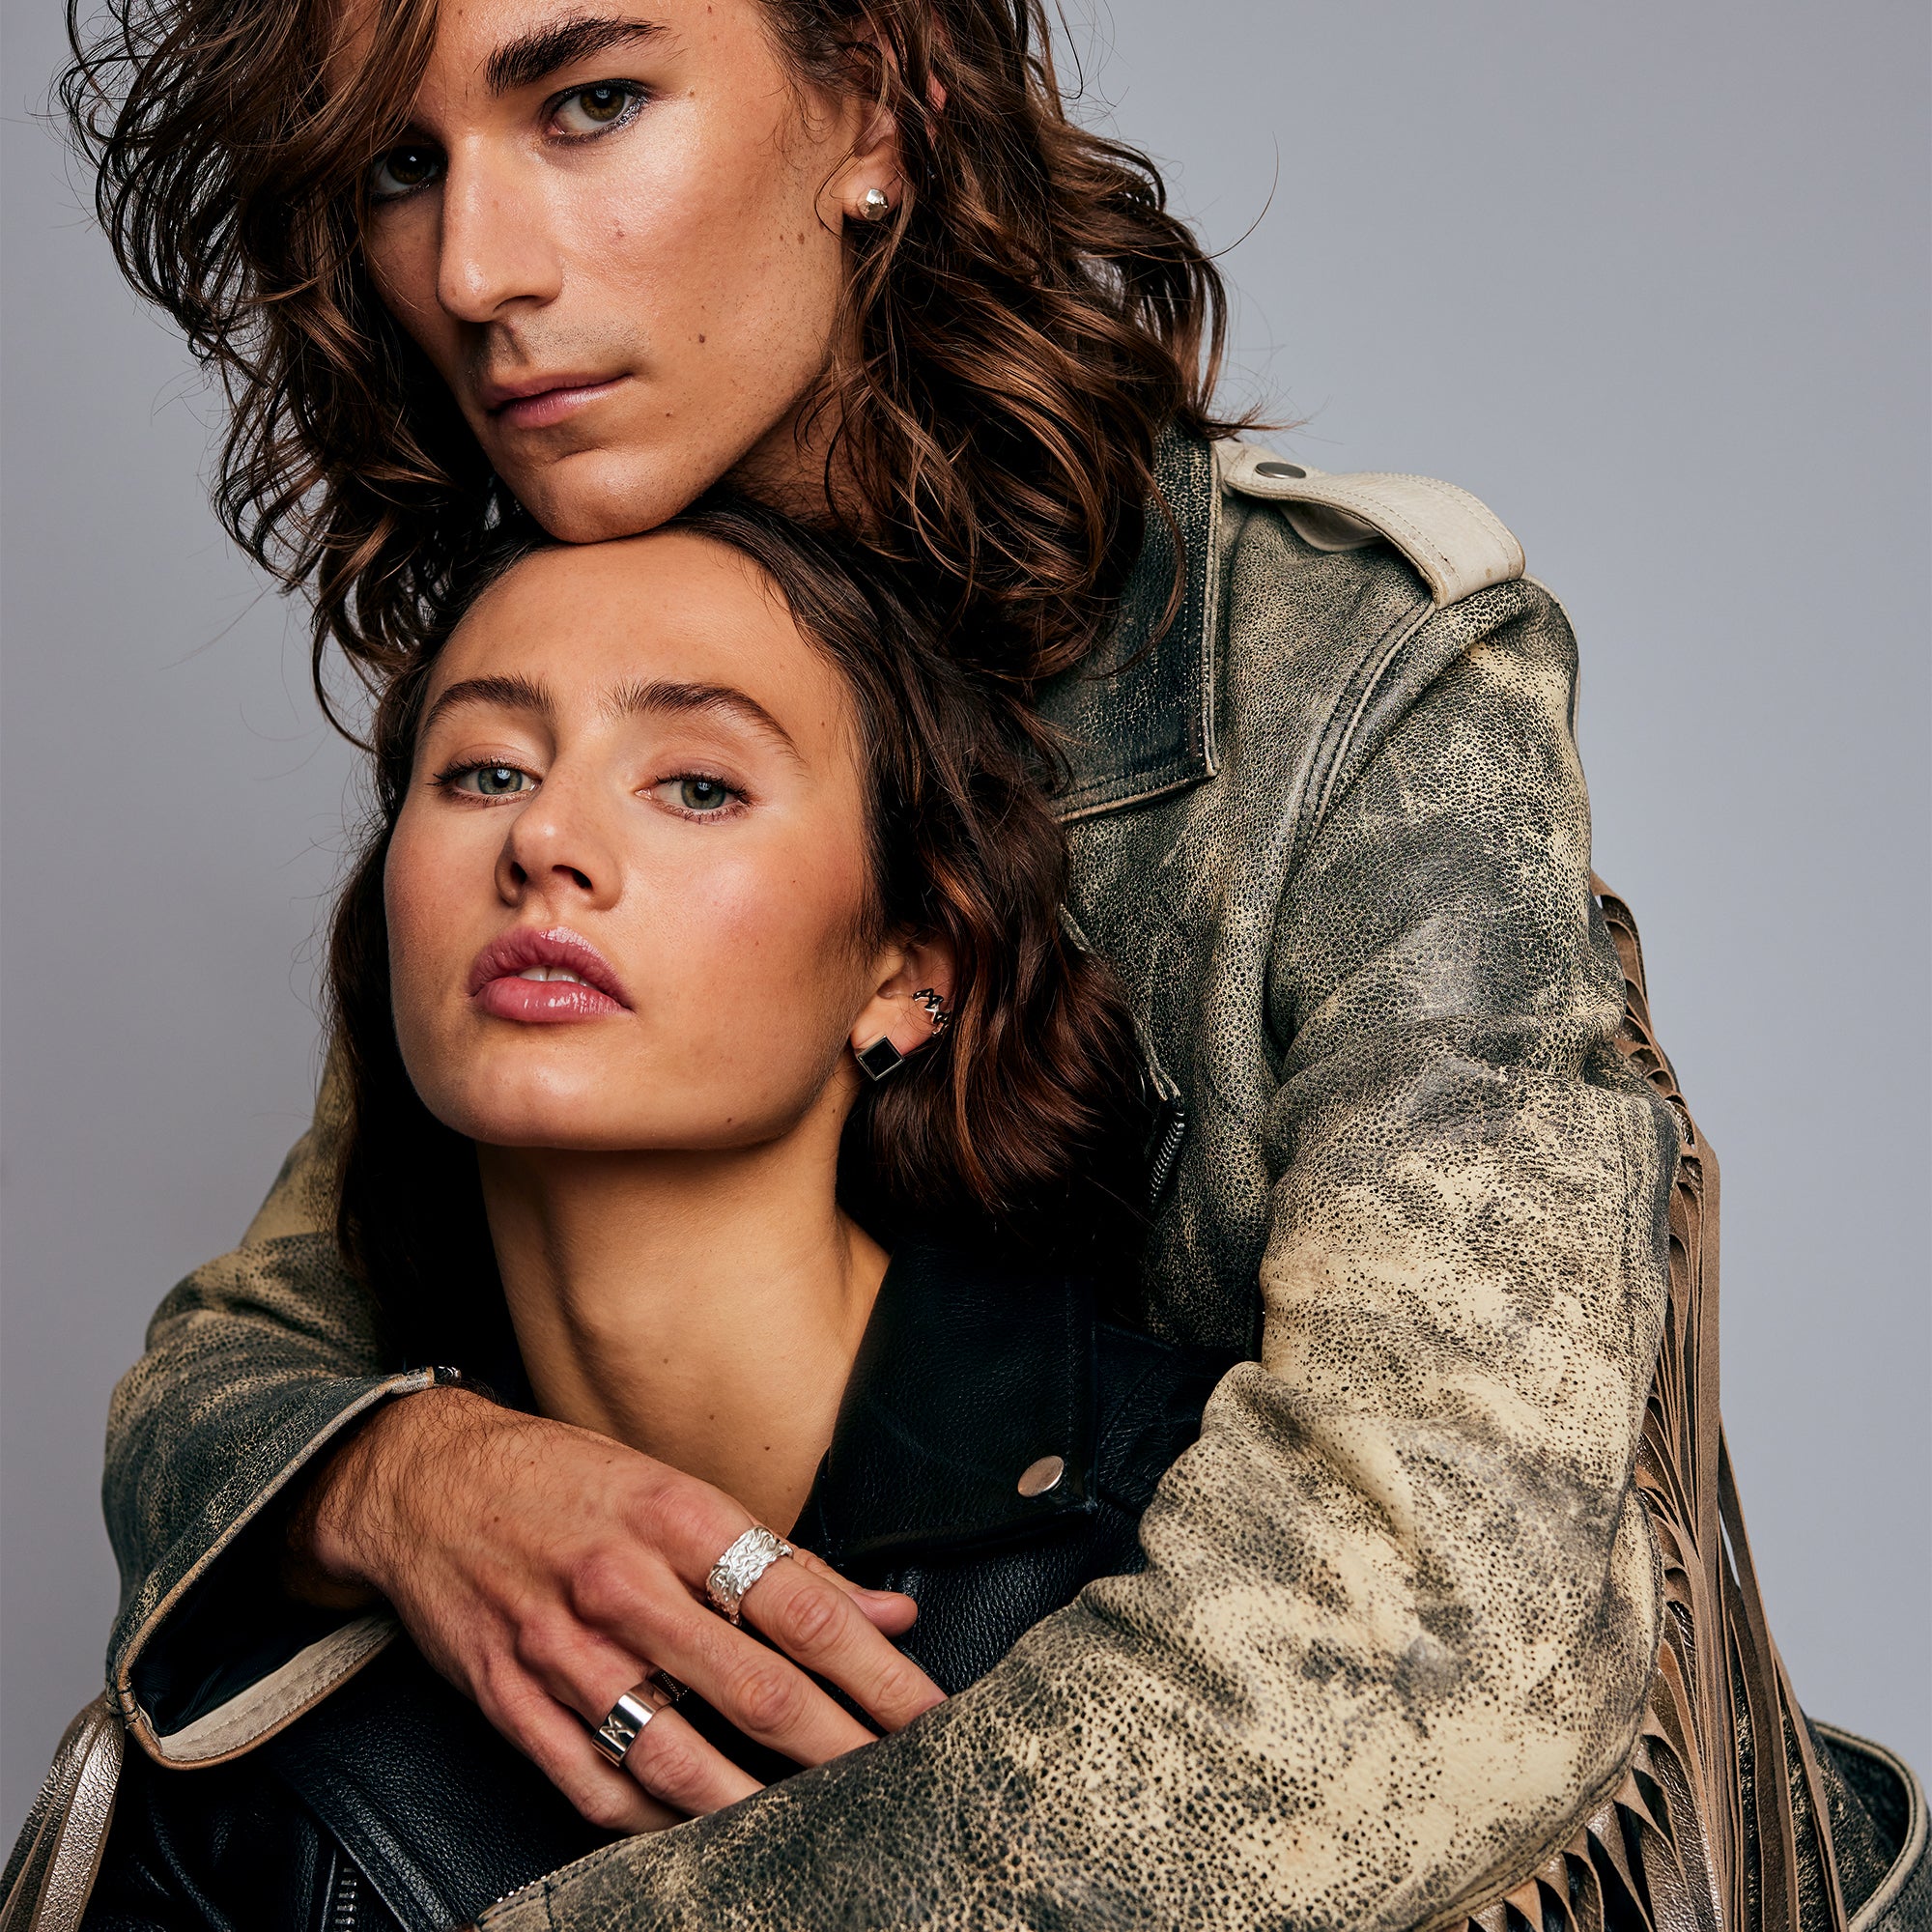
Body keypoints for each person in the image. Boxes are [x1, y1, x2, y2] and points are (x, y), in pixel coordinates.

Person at [20, 0, 1923, 1924]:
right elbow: (241, 1362)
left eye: (590, 105)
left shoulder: (1341, 672)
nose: (475, 270)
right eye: (402, 166)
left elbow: (1437, 1617)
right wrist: (410, 1478)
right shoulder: (565, 691)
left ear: (873, 101)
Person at [76, 500, 1244, 1928]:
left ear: (905, 976)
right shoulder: (250, 1737)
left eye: (696, 785)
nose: (546, 840)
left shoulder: (1215, 1534)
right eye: (485, 769)